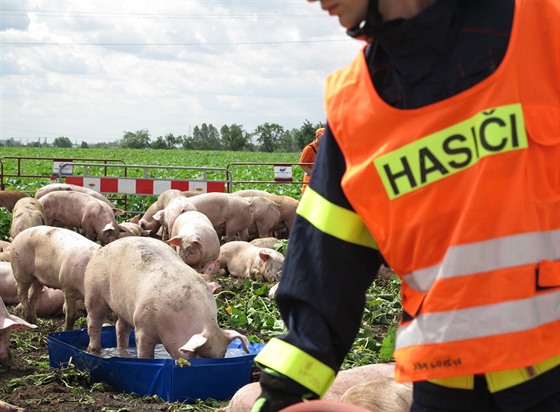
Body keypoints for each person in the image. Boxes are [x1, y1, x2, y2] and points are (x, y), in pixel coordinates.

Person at [251, 1, 560, 412]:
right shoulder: (354, 109)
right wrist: (279, 397)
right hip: (443, 388)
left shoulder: (545, 29)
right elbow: (323, 282)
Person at [299, 127, 324, 194]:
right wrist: (313, 173)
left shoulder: (323, 148)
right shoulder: (309, 148)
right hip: (310, 179)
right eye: (323, 136)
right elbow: (302, 164)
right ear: (317, 136)